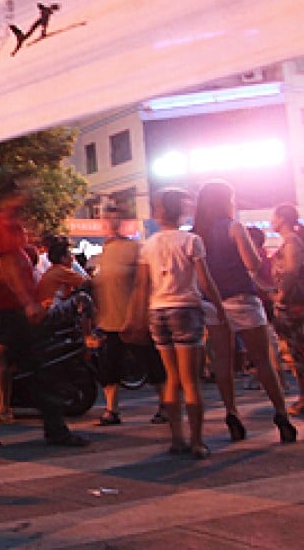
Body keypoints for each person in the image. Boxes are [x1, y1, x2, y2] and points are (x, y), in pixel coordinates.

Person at [0, 184, 89, 448]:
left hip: (11, 308)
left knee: (15, 366)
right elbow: (10, 266)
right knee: (37, 368)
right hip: (15, 310)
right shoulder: (4, 223)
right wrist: (27, 302)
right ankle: (53, 429)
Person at [192, 181, 295, 443]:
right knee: (263, 360)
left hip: (213, 303)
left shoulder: (197, 233)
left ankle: (231, 414)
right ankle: (281, 414)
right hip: (242, 299)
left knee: (223, 363)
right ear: (226, 201)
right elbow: (253, 262)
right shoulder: (234, 227)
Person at [132, 188, 227, 459]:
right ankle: (197, 441)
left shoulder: (147, 244)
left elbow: (142, 285)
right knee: (191, 380)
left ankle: (177, 438)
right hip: (186, 309)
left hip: (157, 311)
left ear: (158, 213)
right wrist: (220, 308)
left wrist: (136, 317)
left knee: (171, 378)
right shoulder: (191, 241)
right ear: (181, 211)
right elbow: (206, 281)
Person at [92, 205, 167, 427]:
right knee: (109, 366)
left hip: (134, 319)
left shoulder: (136, 248)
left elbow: (145, 282)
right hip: (110, 319)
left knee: (151, 362)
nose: (110, 224)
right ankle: (111, 410)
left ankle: (165, 405)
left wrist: (140, 314)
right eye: (107, 220)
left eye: (114, 219)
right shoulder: (105, 250)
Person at [270, 203, 304, 416]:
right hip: (292, 305)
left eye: (273, 217)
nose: (272, 221)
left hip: (294, 306)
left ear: (282, 219)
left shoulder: (291, 243)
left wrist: (280, 297)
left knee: (298, 353)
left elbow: (291, 272)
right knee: (295, 354)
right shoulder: (291, 242)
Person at [35, 237, 89, 308]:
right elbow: (87, 282)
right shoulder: (62, 271)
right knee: (83, 297)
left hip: (46, 309)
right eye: (70, 254)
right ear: (63, 258)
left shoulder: (53, 270)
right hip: (51, 311)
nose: (73, 258)